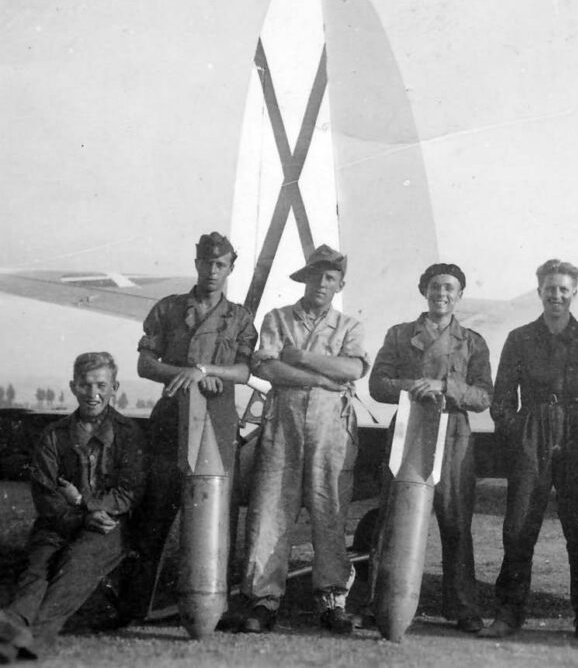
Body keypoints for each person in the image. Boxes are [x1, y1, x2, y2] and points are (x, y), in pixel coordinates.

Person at [107, 232, 256, 628]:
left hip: (218, 422)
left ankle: (214, 607)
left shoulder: (240, 318)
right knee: (153, 513)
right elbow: (145, 364)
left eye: (220, 264)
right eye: (206, 262)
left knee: (218, 517)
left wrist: (206, 371)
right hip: (170, 419)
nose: (212, 270)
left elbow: (243, 371)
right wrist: (188, 376)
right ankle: (131, 609)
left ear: (230, 268)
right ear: (196, 264)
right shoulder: (169, 309)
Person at [479, 259, 578, 645]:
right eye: (549, 288)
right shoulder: (520, 337)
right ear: (539, 290)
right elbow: (502, 397)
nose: (556, 295)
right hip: (533, 431)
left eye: (563, 289)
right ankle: (508, 613)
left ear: (574, 292)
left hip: (576, 433)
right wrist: (516, 433)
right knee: (519, 527)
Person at [241, 244, 369, 635]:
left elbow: (352, 367)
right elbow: (266, 366)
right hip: (284, 424)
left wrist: (301, 358)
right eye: (316, 276)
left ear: (339, 284)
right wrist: (319, 377)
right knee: (270, 510)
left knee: (329, 512)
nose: (322, 283)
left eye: (330, 278)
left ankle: (332, 600)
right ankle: (264, 599)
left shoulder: (349, 325)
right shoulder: (278, 318)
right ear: (305, 279)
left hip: (332, 432)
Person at [368, 263, 493, 633]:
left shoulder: (472, 341)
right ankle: (379, 602)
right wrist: (413, 385)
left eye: (450, 288)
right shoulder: (400, 334)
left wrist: (444, 388)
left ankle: (464, 607)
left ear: (460, 295)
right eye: (436, 286)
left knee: (456, 521)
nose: (442, 294)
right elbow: (377, 384)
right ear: (424, 290)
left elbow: (484, 395)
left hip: (453, 434)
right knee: (393, 518)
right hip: (409, 430)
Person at [0, 352, 147, 660]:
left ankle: (35, 637)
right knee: (38, 567)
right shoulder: (54, 436)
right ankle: (11, 627)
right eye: (85, 385)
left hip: (108, 527)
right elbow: (45, 493)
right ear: (73, 386)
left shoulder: (128, 435)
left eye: (101, 385)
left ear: (114, 387)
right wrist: (81, 516)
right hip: (59, 522)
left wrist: (85, 504)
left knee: (78, 562)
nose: (93, 394)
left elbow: (129, 493)